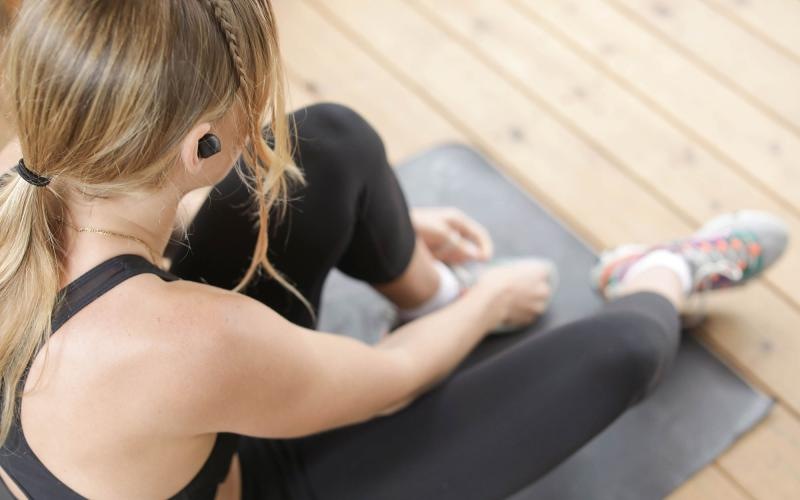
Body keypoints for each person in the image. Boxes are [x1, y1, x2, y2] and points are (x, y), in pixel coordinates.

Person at [0, 1, 789, 499]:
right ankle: (660, 273)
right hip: (255, 475)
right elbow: (391, 382)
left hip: (164, 426)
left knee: (326, 143)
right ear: (201, 144)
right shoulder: (179, 340)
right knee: (621, 349)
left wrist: (406, 244)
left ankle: (426, 287)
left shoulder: (29, 173)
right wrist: (490, 302)